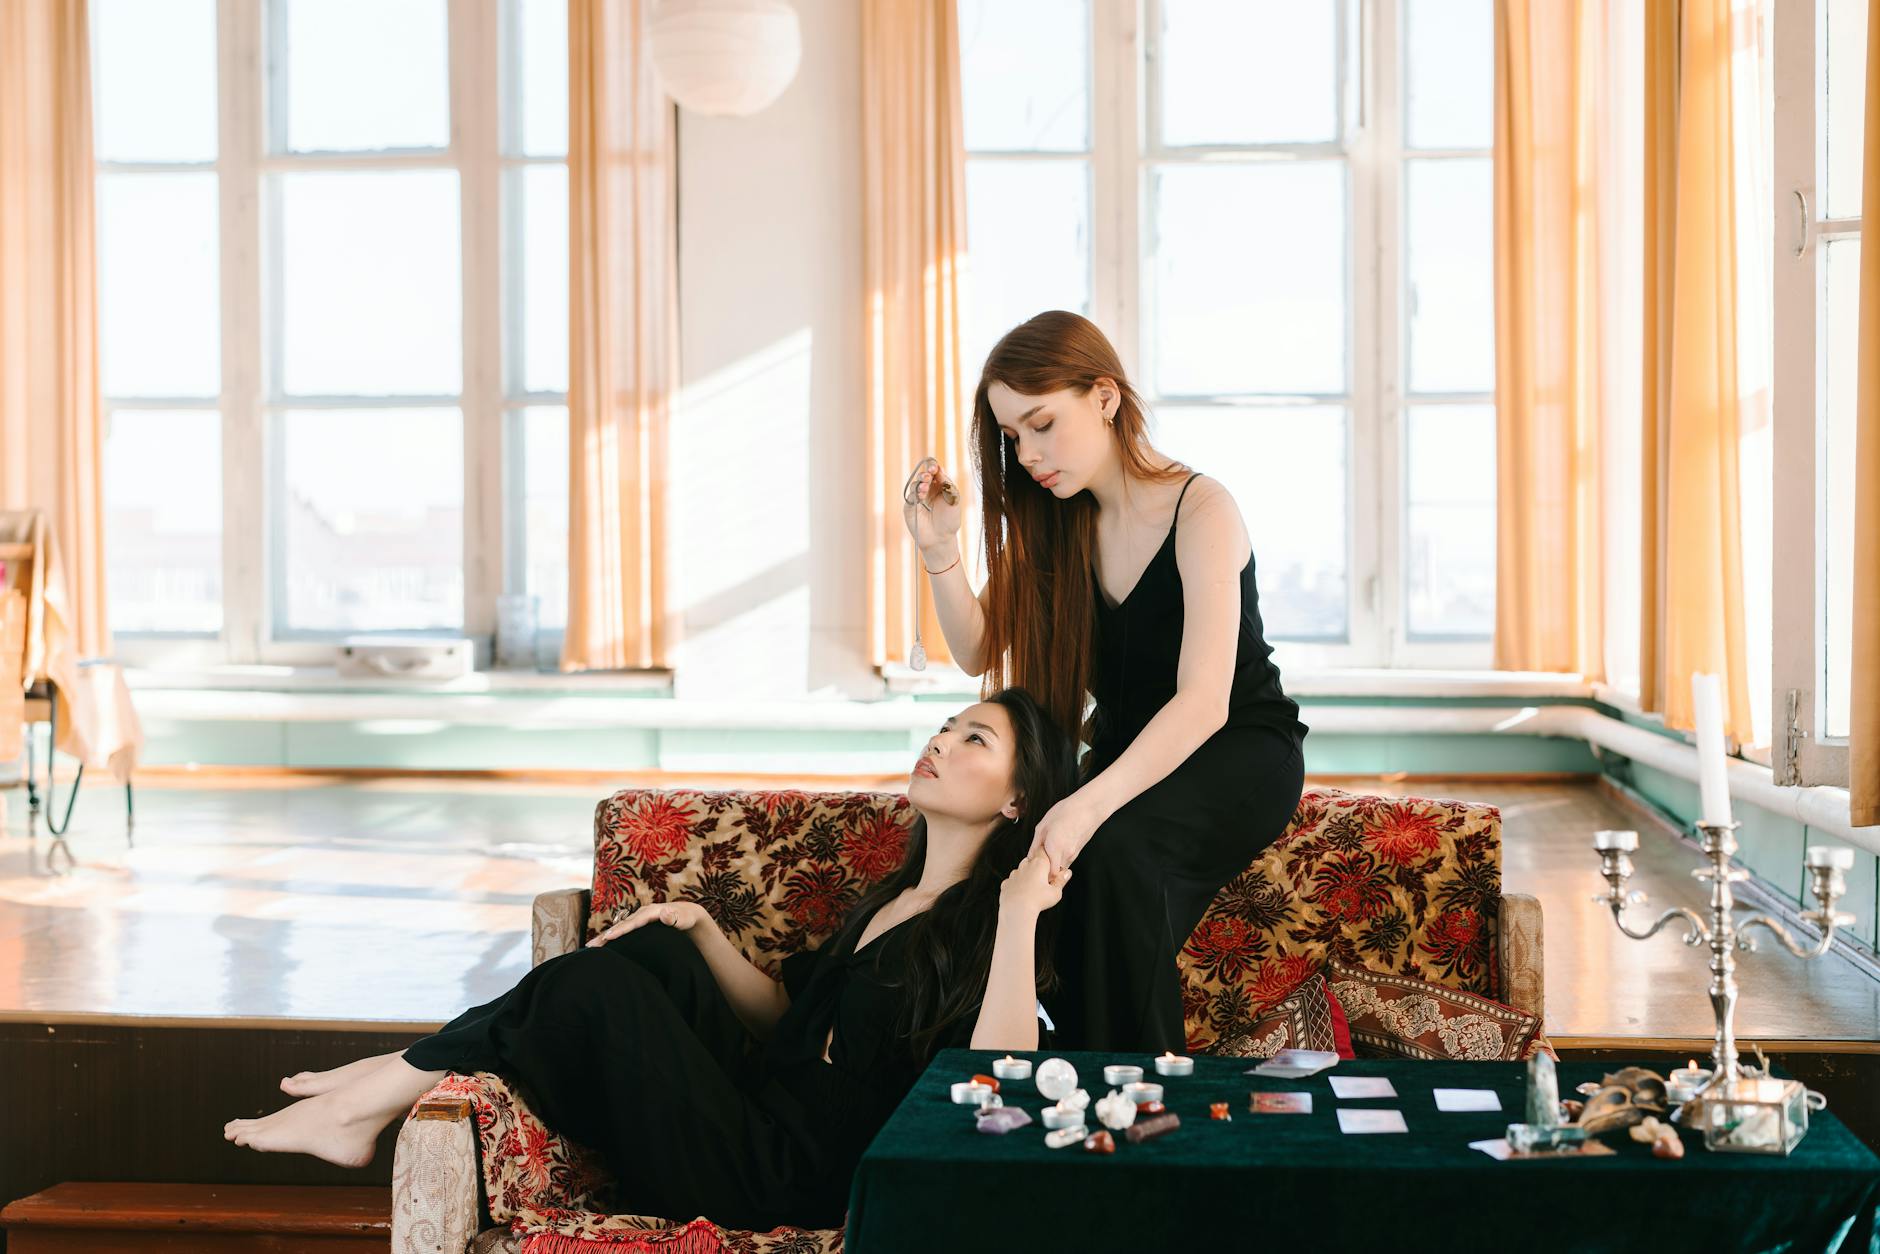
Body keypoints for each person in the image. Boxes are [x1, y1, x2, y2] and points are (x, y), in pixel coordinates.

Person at [224, 689, 1078, 1232]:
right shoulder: (891, 898)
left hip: (792, 1179)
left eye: (975, 740)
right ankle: (402, 1072)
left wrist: (1015, 913)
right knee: (660, 946)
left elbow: (1000, 1076)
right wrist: (704, 929)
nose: (941, 740)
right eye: (945, 726)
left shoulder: (992, 924)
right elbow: (788, 1023)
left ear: (1016, 798)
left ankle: (373, 1098)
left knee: (597, 989)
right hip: (759, 1110)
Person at [903, 310, 1309, 1053]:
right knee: (1041, 875)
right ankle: (1065, 1091)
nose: (1026, 454)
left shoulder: (1201, 507)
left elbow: (1204, 703)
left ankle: (1148, 1098)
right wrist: (939, 550)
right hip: (1128, 757)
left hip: (1237, 748)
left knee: (1115, 855)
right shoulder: (1060, 523)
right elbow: (977, 649)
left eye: (1041, 424)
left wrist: (1085, 808)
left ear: (1104, 397)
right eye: (1012, 439)